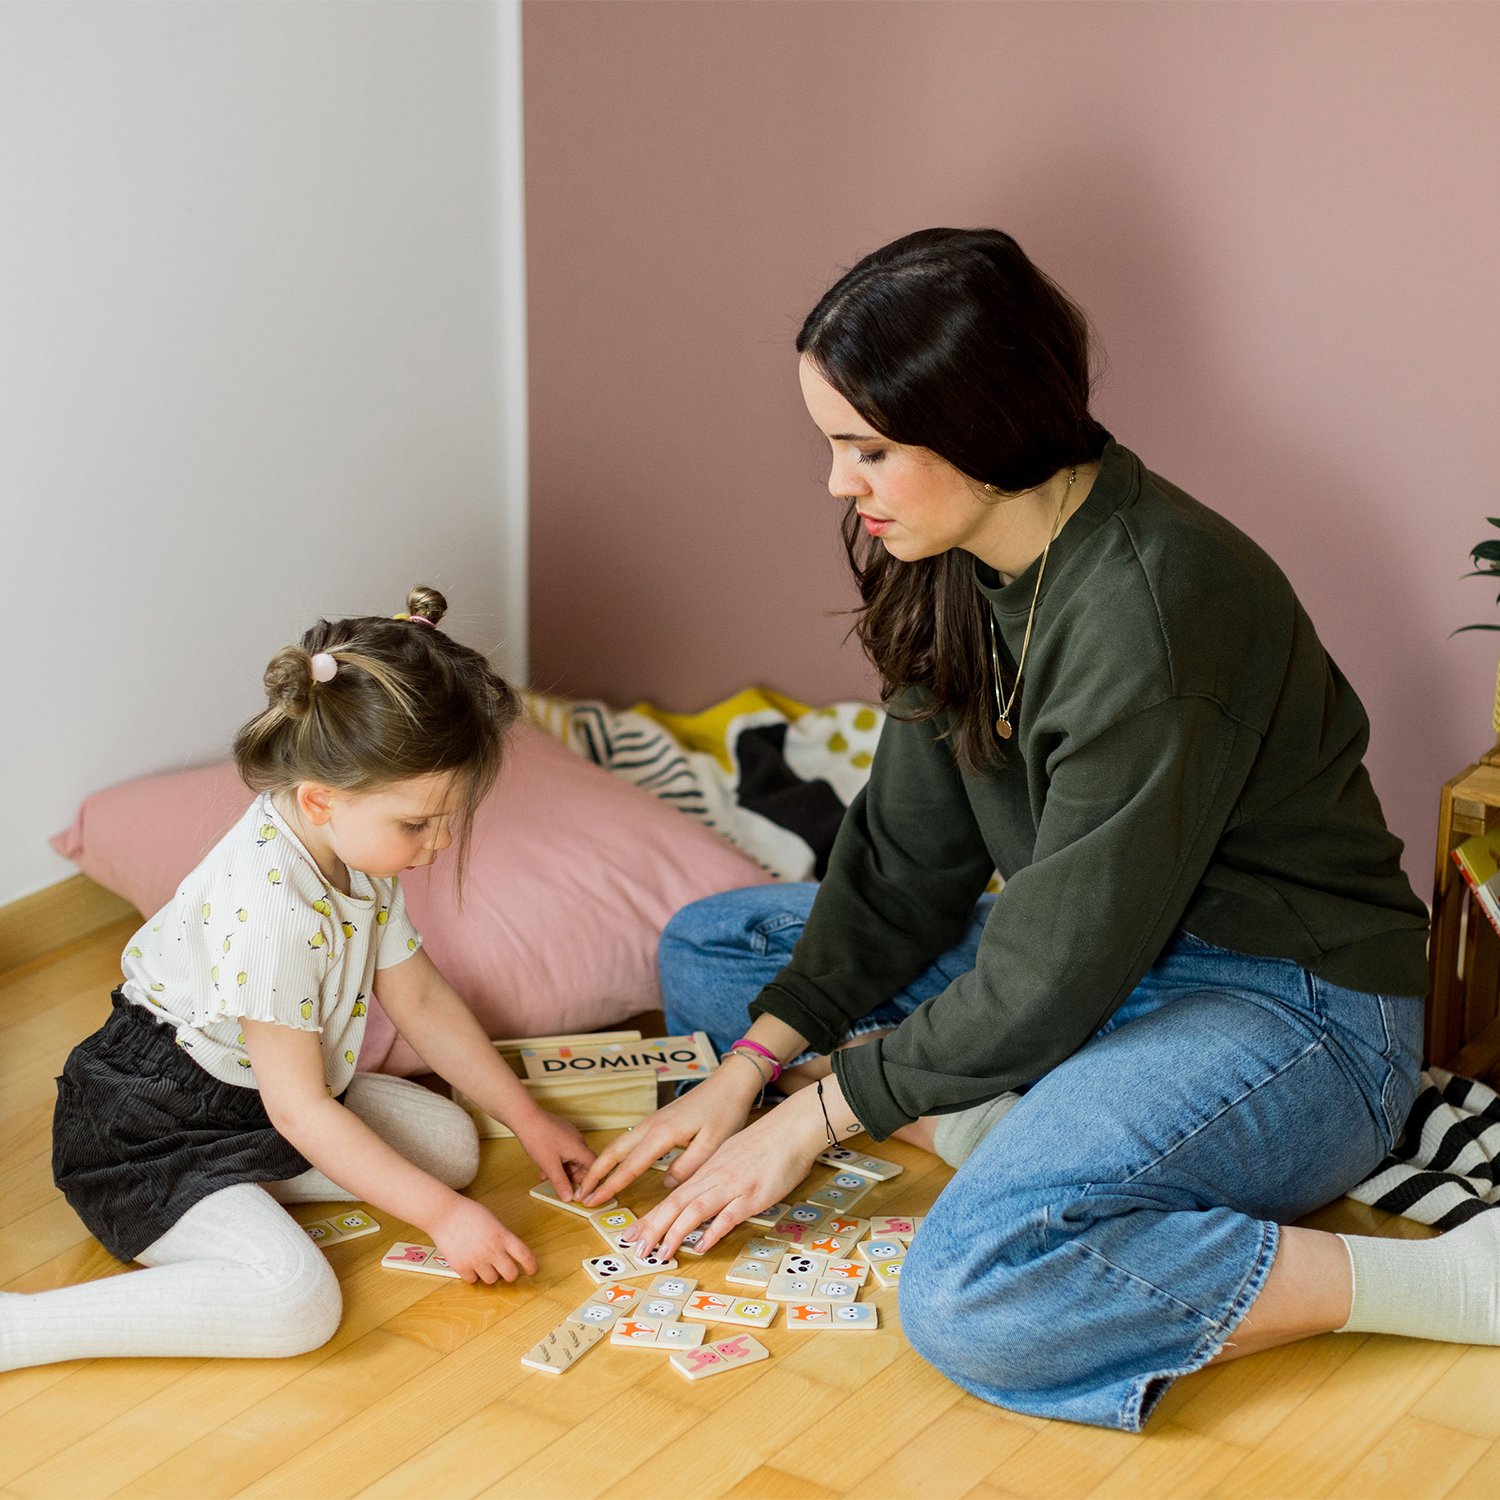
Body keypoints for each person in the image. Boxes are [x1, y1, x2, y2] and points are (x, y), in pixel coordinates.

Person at [575, 229, 1485, 1433]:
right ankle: (1001, 1115)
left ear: (986, 425)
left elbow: (1055, 967)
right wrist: (753, 1068)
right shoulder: (948, 557)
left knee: (970, 1296)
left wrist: (814, 1114)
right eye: (834, 445)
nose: (838, 484)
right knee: (714, 949)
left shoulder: (1158, 609)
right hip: (1097, 965)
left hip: (1288, 1006)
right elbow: (905, 863)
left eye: (871, 450)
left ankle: (1452, 1286)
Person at [1, 587, 594, 1372]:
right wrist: (447, 1221)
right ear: (319, 799)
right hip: (152, 1132)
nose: (440, 843)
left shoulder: (352, 842)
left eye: (454, 817)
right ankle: (21, 1327)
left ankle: (246, 1200)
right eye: (419, 823)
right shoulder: (272, 908)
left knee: (449, 1145)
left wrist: (525, 1116)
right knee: (296, 1304)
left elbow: (417, 995)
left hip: (257, 1100)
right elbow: (302, 1107)